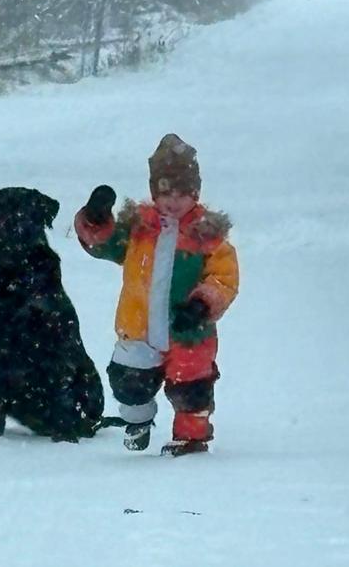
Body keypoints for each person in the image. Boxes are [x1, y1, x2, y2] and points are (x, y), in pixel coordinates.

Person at [74, 134, 239, 456]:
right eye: (165, 193)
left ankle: (190, 438)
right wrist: (95, 219)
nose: (173, 201)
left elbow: (224, 278)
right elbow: (103, 244)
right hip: (139, 327)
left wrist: (201, 304)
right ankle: (138, 421)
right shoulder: (139, 229)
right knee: (128, 383)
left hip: (188, 331)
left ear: (195, 193)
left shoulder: (207, 235)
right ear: (154, 192)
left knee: (190, 387)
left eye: (182, 194)